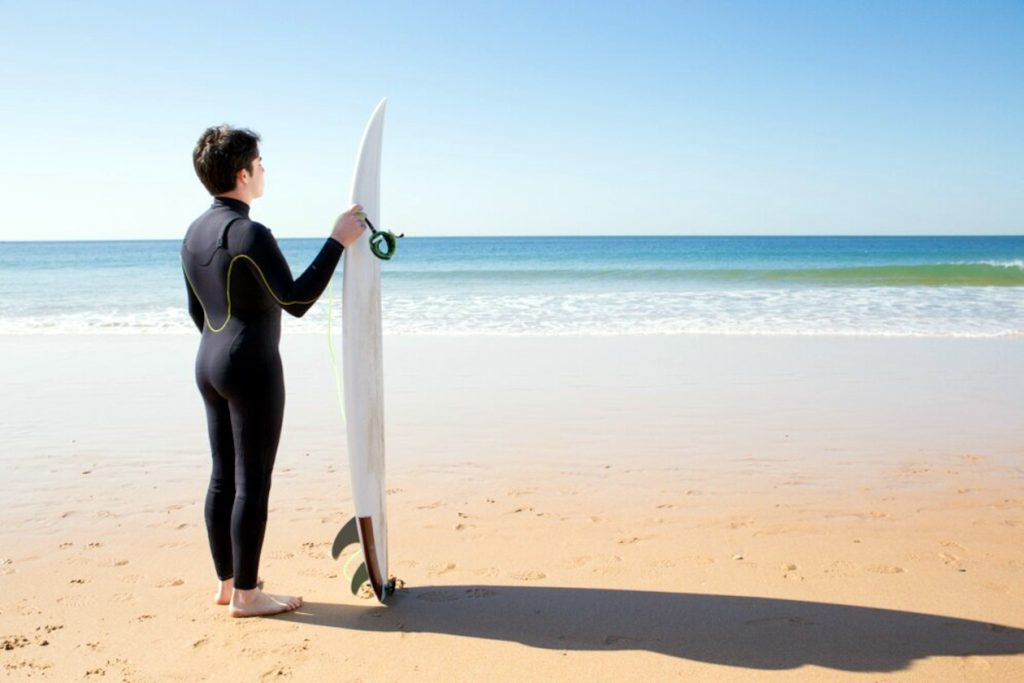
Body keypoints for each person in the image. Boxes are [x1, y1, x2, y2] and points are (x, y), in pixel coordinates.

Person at [182, 125, 366, 617]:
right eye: (260, 163)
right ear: (243, 173)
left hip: (208, 362)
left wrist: (225, 343)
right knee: (252, 482)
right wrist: (337, 241)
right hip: (251, 367)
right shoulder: (250, 234)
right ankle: (246, 595)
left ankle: (227, 583)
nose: (265, 170)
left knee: (223, 477)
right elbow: (298, 300)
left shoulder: (194, 232)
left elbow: (196, 311)